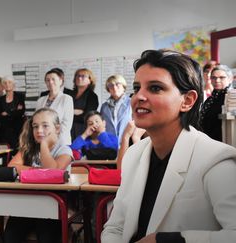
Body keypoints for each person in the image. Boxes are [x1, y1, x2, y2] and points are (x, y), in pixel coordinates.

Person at [102, 49, 236, 243]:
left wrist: (167, 240)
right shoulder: (134, 155)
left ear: (187, 100)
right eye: (137, 88)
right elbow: (116, 227)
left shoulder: (216, 160)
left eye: (155, 88)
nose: (139, 96)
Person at [6, 108, 73, 243]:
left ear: (57, 129)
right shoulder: (29, 149)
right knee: (10, 235)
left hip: (53, 207)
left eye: (45, 125)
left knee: (46, 236)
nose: (39, 130)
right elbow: (12, 167)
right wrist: (40, 172)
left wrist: (44, 145)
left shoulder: (64, 149)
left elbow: (52, 172)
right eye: (35, 126)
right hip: (28, 204)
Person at [36, 69, 74, 145]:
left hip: (60, 141)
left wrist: (52, 137)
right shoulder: (40, 100)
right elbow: (36, 121)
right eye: (47, 80)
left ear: (60, 81)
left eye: (53, 79)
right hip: (42, 140)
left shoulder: (66, 98)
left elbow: (66, 124)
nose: (50, 82)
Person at [200, 64, 233, 142]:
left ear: (230, 79)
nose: (217, 80)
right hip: (208, 141)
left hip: (225, 143)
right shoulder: (211, 99)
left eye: (222, 77)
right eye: (213, 78)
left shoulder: (232, 98)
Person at [0, 75, 25, 151]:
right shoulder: (0, 99)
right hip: (4, 131)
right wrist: (13, 111)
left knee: (17, 151)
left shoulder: (20, 96)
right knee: (5, 153)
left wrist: (7, 112)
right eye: (5, 83)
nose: (7, 84)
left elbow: (21, 112)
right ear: (3, 86)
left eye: (9, 82)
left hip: (18, 129)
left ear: (13, 84)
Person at [100, 74, 132, 144]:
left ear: (123, 87)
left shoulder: (131, 103)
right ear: (108, 89)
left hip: (128, 143)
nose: (114, 87)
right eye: (111, 85)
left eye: (117, 84)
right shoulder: (104, 106)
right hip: (109, 145)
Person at [71, 68, 99, 140]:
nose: (79, 78)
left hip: (83, 132)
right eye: (77, 76)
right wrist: (74, 112)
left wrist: (70, 113)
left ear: (90, 80)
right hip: (68, 130)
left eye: (83, 76)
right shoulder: (69, 94)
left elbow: (87, 117)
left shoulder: (92, 96)